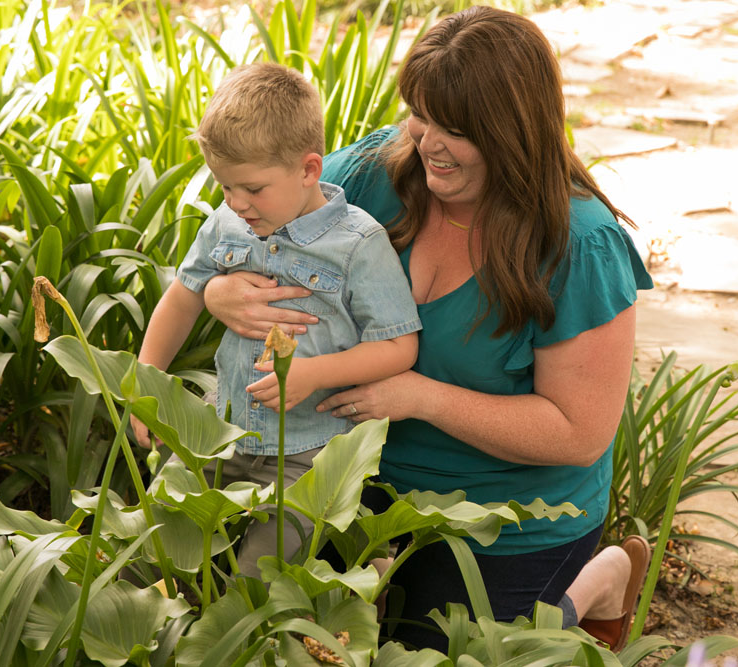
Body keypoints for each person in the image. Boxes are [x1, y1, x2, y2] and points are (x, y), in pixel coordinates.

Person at [202, 6, 655, 651]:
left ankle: (596, 582)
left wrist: (420, 396)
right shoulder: (371, 178)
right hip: (339, 479)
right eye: (422, 114)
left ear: (513, 133)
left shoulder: (578, 245)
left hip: (503, 516)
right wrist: (221, 292)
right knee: (267, 631)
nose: (427, 143)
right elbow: (247, 215)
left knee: (453, 656)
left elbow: (579, 433)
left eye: (456, 130)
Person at [133, 62, 422, 577]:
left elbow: (399, 347)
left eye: (253, 189)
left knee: (258, 578)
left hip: (309, 452)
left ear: (310, 170)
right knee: (151, 547)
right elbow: (182, 298)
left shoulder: (359, 244)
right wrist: (144, 387)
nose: (236, 203)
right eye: (225, 188)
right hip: (220, 428)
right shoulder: (227, 224)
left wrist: (313, 373)